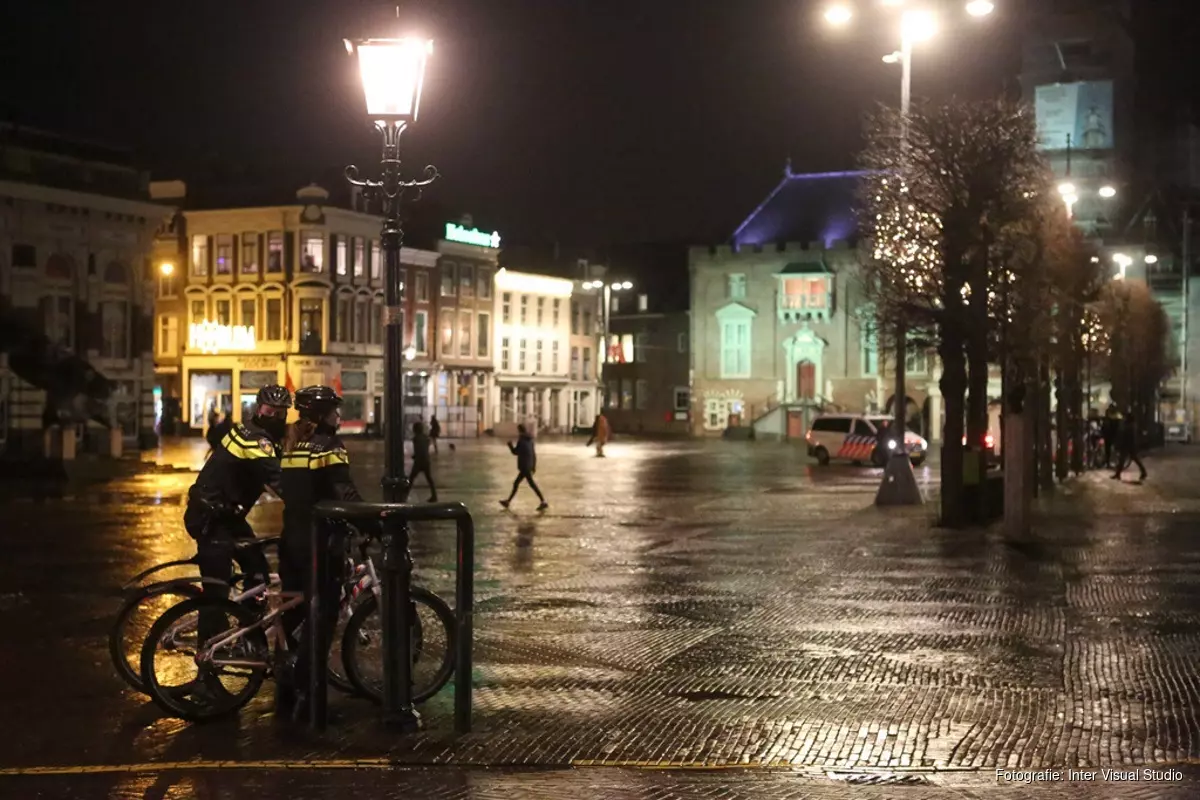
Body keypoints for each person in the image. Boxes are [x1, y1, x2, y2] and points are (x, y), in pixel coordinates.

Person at [277, 385, 371, 716]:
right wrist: (373, 521)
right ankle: (310, 695)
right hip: (320, 542)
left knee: (293, 616)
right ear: (321, 414)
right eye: (333, 410)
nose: (338, 415)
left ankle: (286, 691)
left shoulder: (293, 445)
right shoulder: (329, 446)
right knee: (323, 616)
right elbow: (345, 493)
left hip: (291, 540)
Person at [184, 384, 290, 642]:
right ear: (258, 409)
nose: (275, 417)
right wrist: (307, 504)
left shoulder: (248, 429)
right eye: (269, 411)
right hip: (212, 519)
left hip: (226, 516)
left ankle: (246, 632)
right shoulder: (256, 440)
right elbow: (278, 480)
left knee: (258, 573)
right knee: (217, 592)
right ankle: (208, 654)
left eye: (280, 413)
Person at [501, 424, 547, 511]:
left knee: (530, 484)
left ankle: (543, 501)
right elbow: (534, 454)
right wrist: (533, 466)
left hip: (524, 467)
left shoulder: (521, 440)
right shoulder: (530, 440)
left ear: (520, 431)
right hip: (528, 465)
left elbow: (515, 452)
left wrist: (510, 445)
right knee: (517, 483)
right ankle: (508, 501)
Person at [1111, 411, 1147, 483]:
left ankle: (1143, 472)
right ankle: (1118, 474)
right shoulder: (1131, 425)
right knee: (1125, 459)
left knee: (1127, 459)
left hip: (1128, 445)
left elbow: (1126, 436)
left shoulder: (1129, 426)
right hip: (1129, 445)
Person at [409, 421, 438, 501]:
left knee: (411, 478)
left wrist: (415, 456)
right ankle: (434, 495)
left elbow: (418, 450)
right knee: (429, 479)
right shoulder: (426, 438)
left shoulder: (415, 439)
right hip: (426, 460)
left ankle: (404, 495)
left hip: (419, 462)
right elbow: (424, 449)